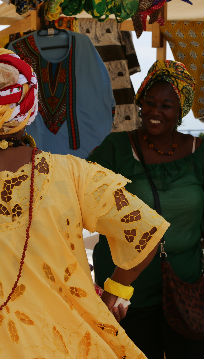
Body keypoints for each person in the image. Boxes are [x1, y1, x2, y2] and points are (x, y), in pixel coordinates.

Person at [0, 49, 170, 358]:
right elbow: (146, 230)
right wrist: (118, 292)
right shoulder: (74, 174)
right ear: (30, 108)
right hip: (68, 341)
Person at [88, 60, 204, 359]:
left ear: (182, 111)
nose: (154, 111)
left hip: (185, 286)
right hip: (124, 290)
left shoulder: (199, 153)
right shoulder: (114, 150)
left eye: (166, 105)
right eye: (148, 102)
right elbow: (87, 205)